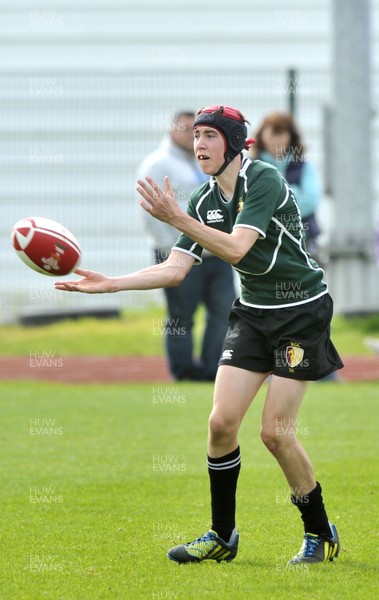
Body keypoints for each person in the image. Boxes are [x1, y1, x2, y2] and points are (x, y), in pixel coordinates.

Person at [55, 104, 344, 566]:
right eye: (196, 137)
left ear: (232, 143)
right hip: (252, 314)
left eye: (209, 136)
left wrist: (178, 220)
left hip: (300, 313)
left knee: (275, 433)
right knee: (220, 424)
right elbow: (175, 270)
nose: (199, 145)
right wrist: (110, 282)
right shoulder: (202, 200)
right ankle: (222, 536)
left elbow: (235, 247)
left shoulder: (263, 179)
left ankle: (318, 531)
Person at [137, 111, 236, 381]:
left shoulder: (209, 163)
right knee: (181, 317)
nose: (194, 138)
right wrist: (173, 248)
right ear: (171, 130)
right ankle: (183, 372)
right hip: (178, 253)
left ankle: (213, 368)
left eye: (200, 133)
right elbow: (150, 211)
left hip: (216, 252)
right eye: (188, 131)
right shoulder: (158, 163)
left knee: (225, 312)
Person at [251, 111, 322, 263]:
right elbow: (249, 201)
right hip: (264, 242)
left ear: (291, 137)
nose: (277, 140)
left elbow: (311, 200)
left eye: (282, 134)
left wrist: (273, 207)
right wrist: (294, 194)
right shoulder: (251, 167)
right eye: (272, 134)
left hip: (304, 240)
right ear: (262, 136)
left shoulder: (304, 166)